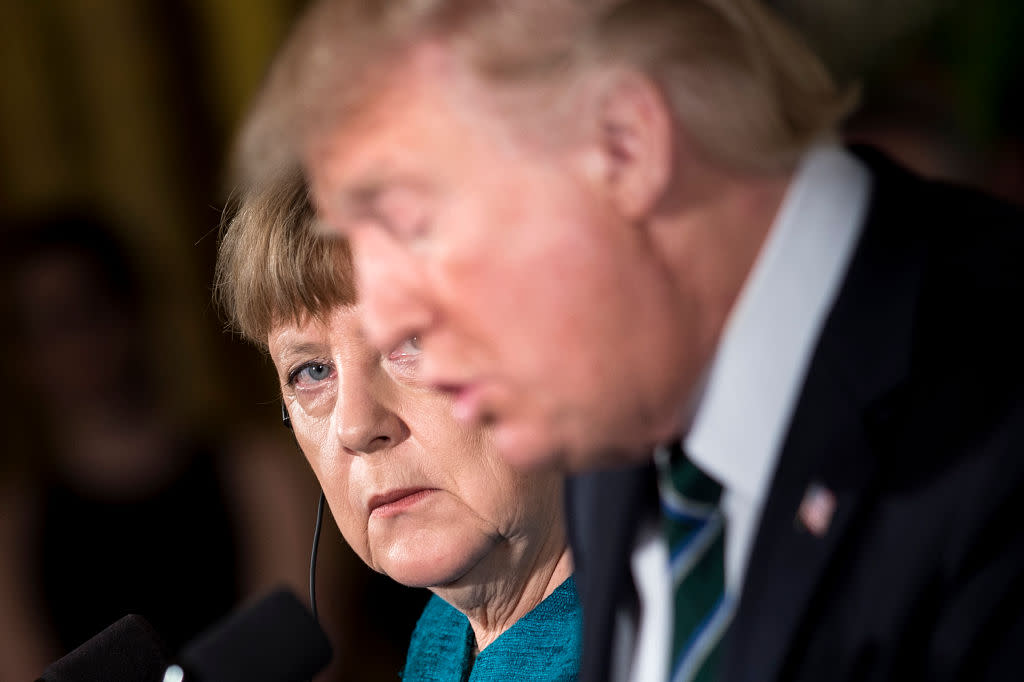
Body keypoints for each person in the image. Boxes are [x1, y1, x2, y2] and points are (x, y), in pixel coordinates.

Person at [234, 1, 1024, 681]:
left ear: (622, 146)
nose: (406, 318)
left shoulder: (991, 405)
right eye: (307, 369)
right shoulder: (628, 437)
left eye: (417, 230)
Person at [214, 168, 582, 680]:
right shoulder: (441, 637)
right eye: (311, 371)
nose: (355, 427)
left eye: (411, 340)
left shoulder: (670, 633)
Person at [0, 210, 320, 679]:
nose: (68, 345)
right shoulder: (12, 528)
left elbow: (299, 648)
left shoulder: (263, 474)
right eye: (38, 326)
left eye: (81, 313)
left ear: (130, 310)